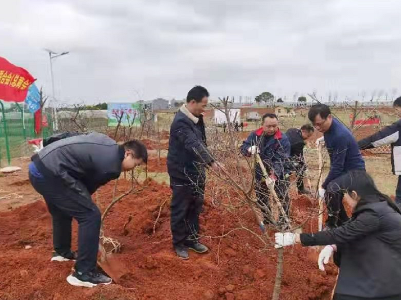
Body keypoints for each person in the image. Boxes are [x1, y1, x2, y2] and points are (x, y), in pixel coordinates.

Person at [29, 132, 147, 287]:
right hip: (51, 173)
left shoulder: (107, 143)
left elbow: (73, 135)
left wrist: (47, 141)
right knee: (90, 216)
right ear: (128, 153)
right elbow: (86, 188)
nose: (133, 169)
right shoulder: (112, 166)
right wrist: (87, 212)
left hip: (38, 166)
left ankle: (62, 253)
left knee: (62, 210)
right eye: (136, 164)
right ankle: (83, 273)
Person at [275, 170, 401, 300]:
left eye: (345, 194)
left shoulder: (373, 214)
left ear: (354, 194)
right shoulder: (379, 206)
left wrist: (296, 238)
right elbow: (352, 233)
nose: (344, 198)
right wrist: (334, 247)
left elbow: (340, 234)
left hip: (387, 284)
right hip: (385, 267)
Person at [167, 86, 220, 260]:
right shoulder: (181, 122)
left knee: (195, 206)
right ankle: (179, 243)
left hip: (196, 170)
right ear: (192, 102)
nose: (204, 108)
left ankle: (192, 239)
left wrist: (205, 162)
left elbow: (201, 142)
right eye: (203, 104)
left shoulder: (196, 118)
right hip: (181, 171)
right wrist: (211, 161)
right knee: (180, 208)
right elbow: (193, 144)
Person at [308, 104, 365, 228]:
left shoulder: (340, 135)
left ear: (329, 117)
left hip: (353, 171)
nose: (318, 128)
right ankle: (342, 222)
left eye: (320, 124)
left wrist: (323, 186)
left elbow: (337, 167)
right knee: (334, 193)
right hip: (344, 168)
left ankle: (333, 224)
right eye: (315, 125)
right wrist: (324, 138)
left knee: (332, 190)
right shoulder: (329, 127)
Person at [240, 113, 292, 225]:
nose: (272, 129)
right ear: (262, 125)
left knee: (282, 198)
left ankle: (284, 223)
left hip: (280, 173)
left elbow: (280, 160)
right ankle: (268, 221)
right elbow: (243, 148)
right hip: (260, 172)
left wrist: (274, 176)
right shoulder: (255, 135)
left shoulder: (282, 139)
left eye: (275, 126)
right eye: (269, 126)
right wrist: (249, 149)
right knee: (261, 198)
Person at [358, 97, 401, 204]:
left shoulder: (398, 127)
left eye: (397, 109)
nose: (396, 113)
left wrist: (357, 145)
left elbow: (378, 138)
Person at [285, 124, 315, 194]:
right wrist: (304, 165)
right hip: (285, 157)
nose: (307, 138)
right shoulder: (299, 142)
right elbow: (299, 157)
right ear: (303, 131)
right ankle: (300, 189)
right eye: (308, 136)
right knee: (301, 167)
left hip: (281, 152)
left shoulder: (292, 130)